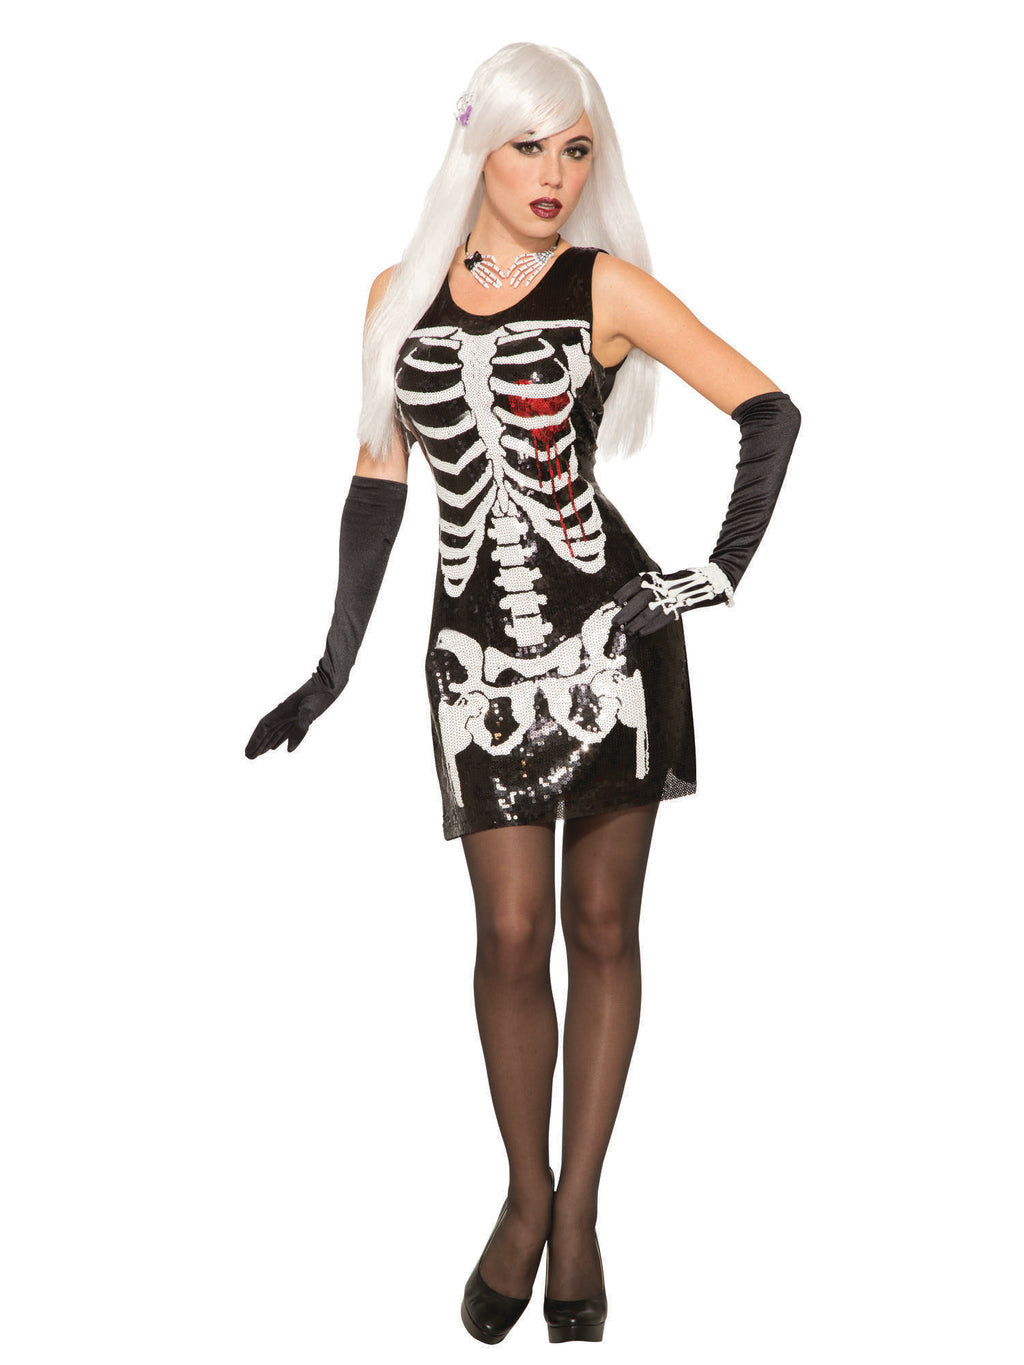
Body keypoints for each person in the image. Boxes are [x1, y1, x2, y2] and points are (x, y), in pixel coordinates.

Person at [245, 41, 801, 1345]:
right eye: (527, 146)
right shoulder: (395, 295)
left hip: (612, 644)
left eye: (576, 150)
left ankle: (581, 1213)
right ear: (475, 147)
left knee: (602, 928)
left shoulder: (604, 286)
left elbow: (770, 412)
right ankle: (524, 1191)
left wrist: (710, 577)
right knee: (509, 932)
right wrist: (331, 665)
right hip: (473, 657)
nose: (554, 174)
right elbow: (377, 485)